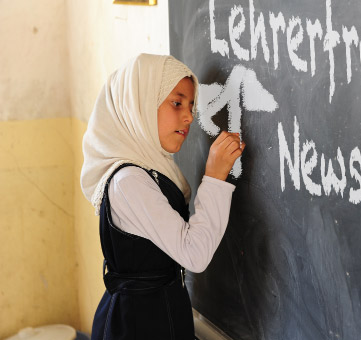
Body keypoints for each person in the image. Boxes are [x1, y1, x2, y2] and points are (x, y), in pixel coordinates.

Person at [80, 53, 245, 340]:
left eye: (191, 105)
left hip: (155, 318)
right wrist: (215, 177)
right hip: (137, 326)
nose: (189, 116)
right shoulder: (128, 181)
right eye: (177, 102)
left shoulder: (149, 171)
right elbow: (194, 253)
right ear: (139, 104)